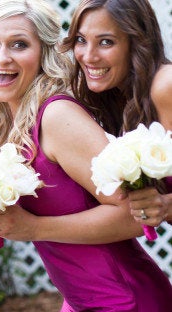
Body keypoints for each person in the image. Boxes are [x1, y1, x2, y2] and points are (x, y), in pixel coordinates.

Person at [0, 0, 172, 312]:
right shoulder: (13, 124)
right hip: (81, 300)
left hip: (125, 301)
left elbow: (132, 216)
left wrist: (33, 228)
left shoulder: (57, 118)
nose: (3, 57)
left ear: (44, 54)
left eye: (19, 45)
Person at [61, 0, 172, 227]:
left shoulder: (165, 85)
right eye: (81, 40)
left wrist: (167, 205)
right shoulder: (113, 94)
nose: (88, 56)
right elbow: (27, 89)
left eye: (106, 42)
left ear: (137, 43)